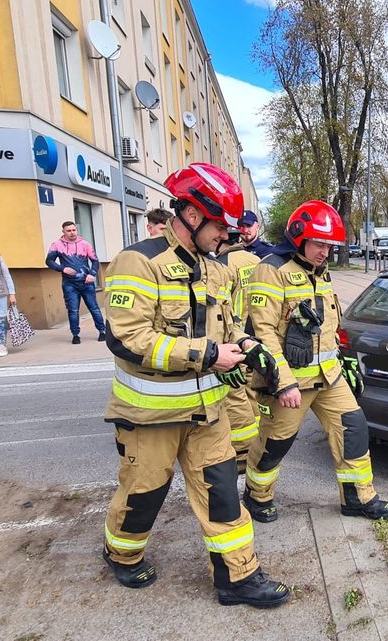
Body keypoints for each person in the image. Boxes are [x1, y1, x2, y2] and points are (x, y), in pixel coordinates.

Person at [100, 162, 289, 608]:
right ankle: (122, 556)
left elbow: (227, 327)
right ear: (190, 215)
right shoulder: (139, 261)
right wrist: (207, 355)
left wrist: (244, 344)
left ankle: (238, 578)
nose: (228, 236)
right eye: (220, 227)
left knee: (224, 494)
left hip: (208, 412)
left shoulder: (215, 270)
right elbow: (128, 338)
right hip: (150, 417)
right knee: (143, 495)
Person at [242, 200, 388, 524]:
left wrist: (344, 362)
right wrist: (281, 381)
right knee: (275, 443)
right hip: (289, 382)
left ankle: (358, 497)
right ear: (298, 237)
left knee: (353, 429)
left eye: (330, 245)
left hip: (328, 377)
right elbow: (263, 331)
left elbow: (327, 327)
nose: (325, 251)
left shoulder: (320, 272)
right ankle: (257, 496)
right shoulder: (271, 269)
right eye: (319, 243)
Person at [215, 236, 263, 473]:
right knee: (252, 392)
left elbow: (220, 306)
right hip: (256, 338)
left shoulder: (222, 264)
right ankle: (259, 441)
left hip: (234, 339)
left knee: (234, 396)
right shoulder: (255, 260)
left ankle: (244, 452)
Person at [46, 221, 106, 344]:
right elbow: (49, 261)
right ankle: (75, 335)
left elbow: (95, 261)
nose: (72, 233)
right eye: (69, 230)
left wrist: (92, 274)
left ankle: (102, 331)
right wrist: (62, 268)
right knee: (73, 310)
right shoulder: (57, 245)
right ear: (63, 232)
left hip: (86, 282)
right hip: (69, 284)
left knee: (94, 308)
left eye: (74, 230)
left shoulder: (85, 244)